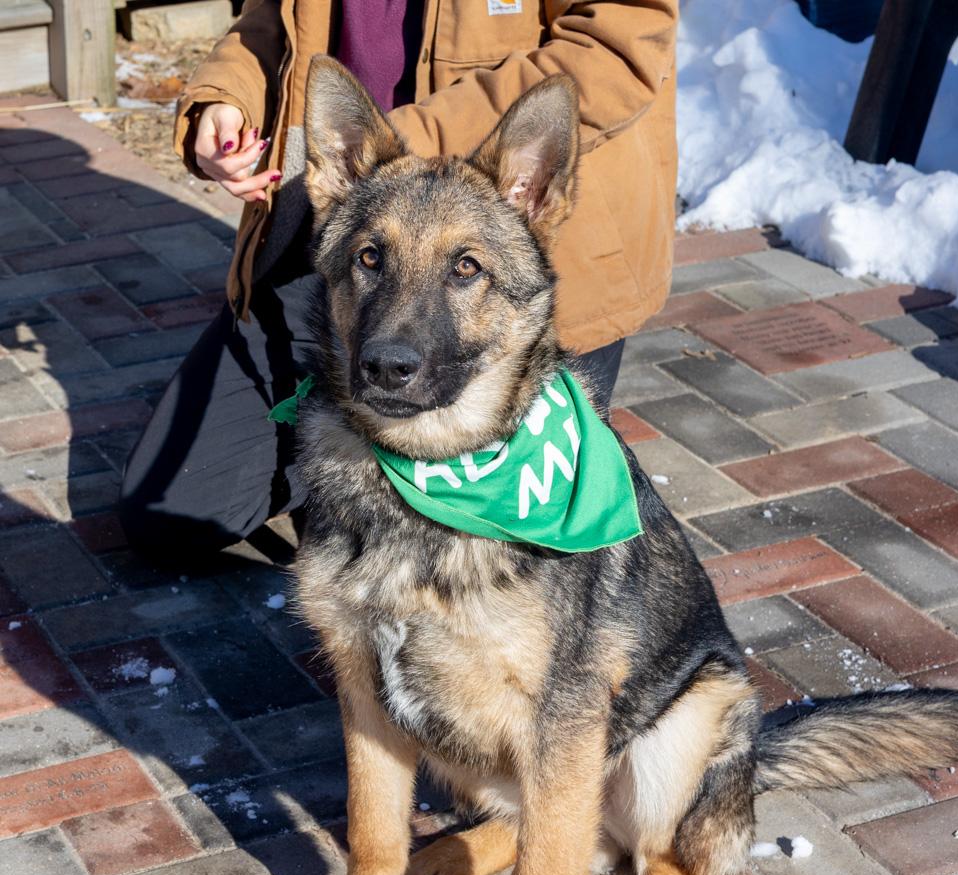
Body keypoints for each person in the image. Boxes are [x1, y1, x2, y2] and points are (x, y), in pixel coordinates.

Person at [119, 0, 679, 557]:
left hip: (512, 248)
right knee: (170, 515)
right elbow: (276, 14)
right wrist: (229, 93)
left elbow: (617, 44)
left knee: (495, 551)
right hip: (355, 229)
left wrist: (395, 152)